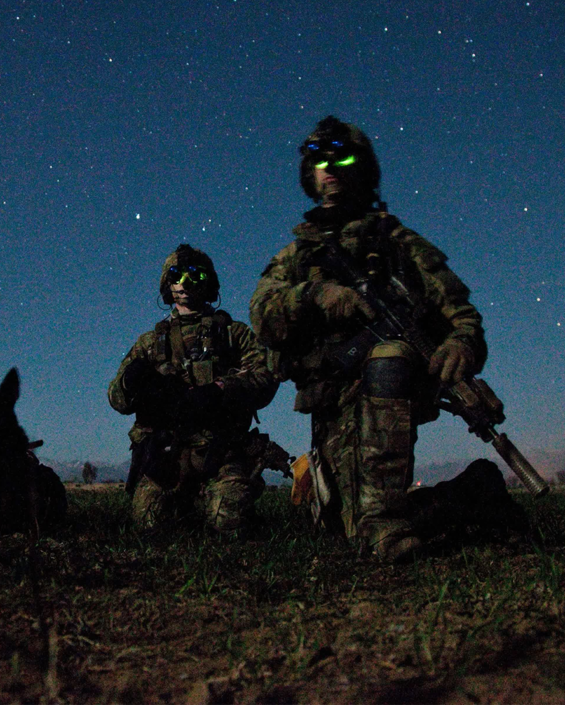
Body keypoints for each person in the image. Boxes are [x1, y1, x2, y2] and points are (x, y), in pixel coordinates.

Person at [250, 116, 523, 562]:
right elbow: (263, 315)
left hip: (390, 394)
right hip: (332, 402)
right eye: (320, 161)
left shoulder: (400, 245)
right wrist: (317, 296)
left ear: (364, 168)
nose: (331, 168)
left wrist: (461, 345)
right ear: (309, 175)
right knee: (343, 528)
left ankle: (387, 525)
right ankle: (476, 490)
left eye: (343, 157)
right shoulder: (298, 256)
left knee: (390, 356)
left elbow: (461, 315)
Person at [109, 244, 279, 531]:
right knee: (150, 522)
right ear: (167, 283)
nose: (185, 284)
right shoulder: (150, 343)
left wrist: (221, 388)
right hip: (168, 456)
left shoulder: (232, 334)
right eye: (176, 275)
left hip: (220, 450)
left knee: (228, 520)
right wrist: (130, 381)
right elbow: (117, 400)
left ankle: (228, 502)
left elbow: (266, 376)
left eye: (195, 276)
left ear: (209, 283)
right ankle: (186, 505)